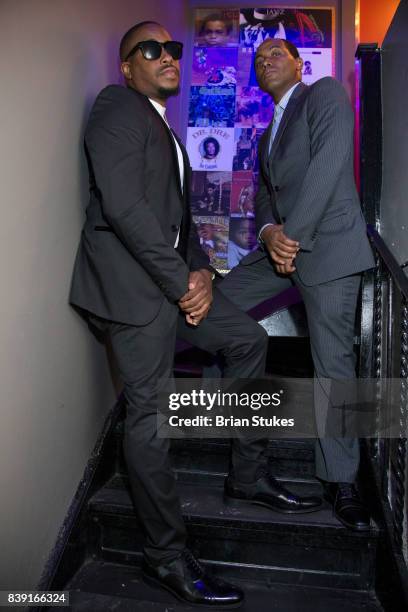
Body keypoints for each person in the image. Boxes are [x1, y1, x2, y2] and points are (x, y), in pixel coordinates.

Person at [69, 21, 320, 608]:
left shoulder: (166, 129)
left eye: (171, 49)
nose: (165, 56)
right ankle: (165, 556)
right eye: (149, 49)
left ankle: (248, 474)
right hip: (133, 292)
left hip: (175, 283)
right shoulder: (116, 106)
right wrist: (183, 282)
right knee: (151, 415)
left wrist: (202, 271)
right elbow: (126, 208)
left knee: (248, 342)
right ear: (126, 67)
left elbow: (173, 219)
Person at [214, 38, 375, 531]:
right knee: (212, 305)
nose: (265, 62)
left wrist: (293, 236)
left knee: (334, 366)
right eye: (259, 60)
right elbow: (265, 195)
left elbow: (329, 166)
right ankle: (237, 451)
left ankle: (342, 479)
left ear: (299, 64)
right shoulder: (267, 134)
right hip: (278, 248)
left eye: (275, 55)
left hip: (327, 246)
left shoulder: (324, 93)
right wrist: (269, 234)